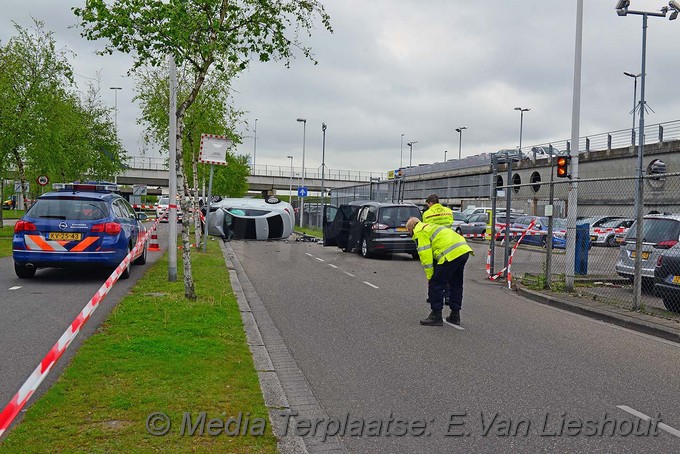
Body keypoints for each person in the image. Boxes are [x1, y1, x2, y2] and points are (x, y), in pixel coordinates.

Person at [406, 217, 473, 326]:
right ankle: (455, 315)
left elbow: (425, 256)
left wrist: (430, 277)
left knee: (436, 283)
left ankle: (436, 315)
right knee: (456, 283)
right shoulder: (430, 226)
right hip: (463, 250)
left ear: (410, 229)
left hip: (450, 254)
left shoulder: (419, 232)